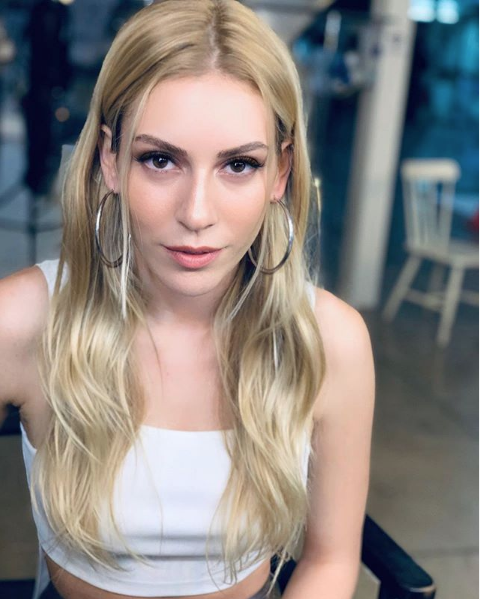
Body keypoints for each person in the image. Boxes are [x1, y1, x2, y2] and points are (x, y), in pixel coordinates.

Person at [0, 1, 375, 598]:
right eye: (160, 159)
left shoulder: (330, 340)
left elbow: (330, 561)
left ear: (280, 174)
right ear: (109, 159)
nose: (197, 213)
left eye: (239, 165)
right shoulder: (21, 321)